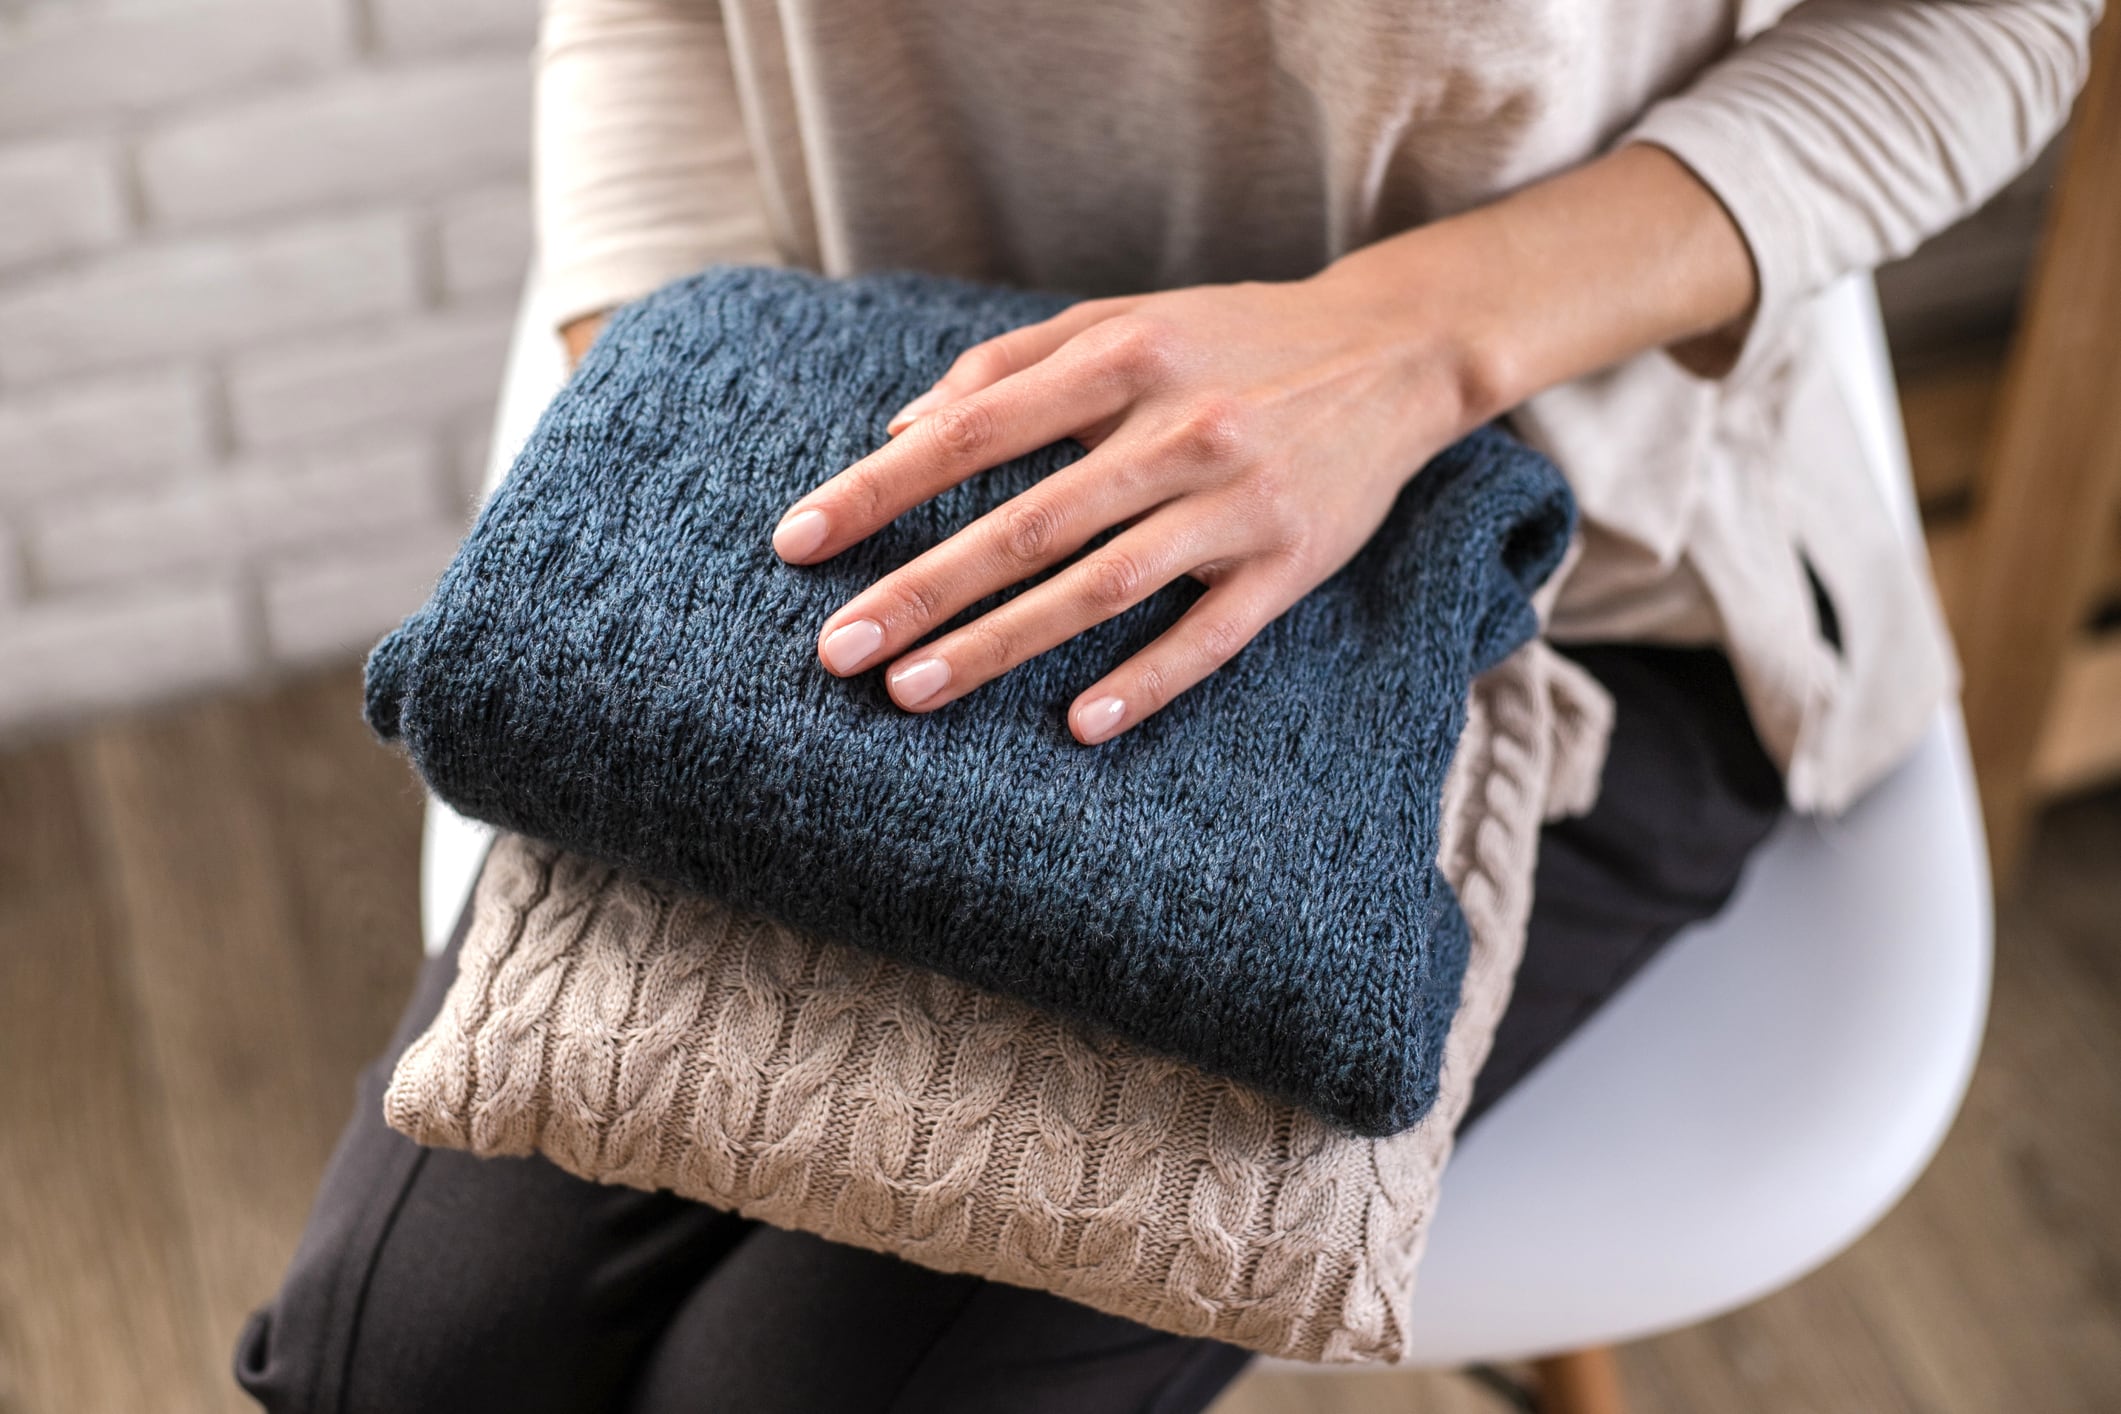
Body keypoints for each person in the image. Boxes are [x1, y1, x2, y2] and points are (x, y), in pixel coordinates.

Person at [236, 1, 2097, 1410]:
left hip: (1557, 574)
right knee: (394, 1355)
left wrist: (1409, 341)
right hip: (885, 508)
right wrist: (699, 409)